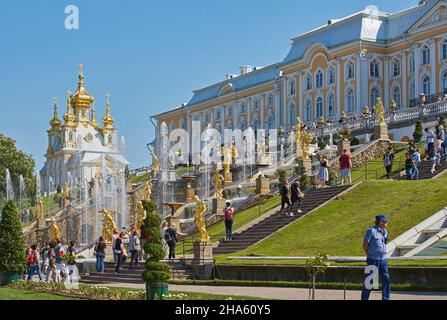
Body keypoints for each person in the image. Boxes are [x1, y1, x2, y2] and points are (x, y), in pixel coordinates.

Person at [361, 215, 391, 301]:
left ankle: (386, 298)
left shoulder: (385, 231)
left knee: (386, 280)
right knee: (369, 282)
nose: (387, 223)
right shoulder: (371, 231)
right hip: (373, 259)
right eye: (386, 221)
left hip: (383, 260)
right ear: (381, 222)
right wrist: (370, 254)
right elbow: (365, 245)